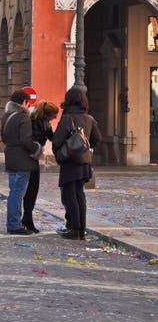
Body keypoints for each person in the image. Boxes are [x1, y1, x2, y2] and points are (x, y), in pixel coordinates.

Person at [52, 87, 102, 240]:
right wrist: (85, 147)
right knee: (80, 194)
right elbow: (97, 139)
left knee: (69, 195)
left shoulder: (68, 118)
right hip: (84, 162)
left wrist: (61, 152)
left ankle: (74, 228)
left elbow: (57, 141)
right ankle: (81, 229)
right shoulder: (90, 118)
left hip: (70, 161)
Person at [1, 89, 38, 235]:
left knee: (13, 191)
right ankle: (14, 224)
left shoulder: (6, 116)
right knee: (18, 192)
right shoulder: (23, 117)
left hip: (10, 157)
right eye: (28, 103)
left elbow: (3, 138)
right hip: (22, 159)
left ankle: (13, 223)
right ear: (24, 102)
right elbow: (26, 140)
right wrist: (37, 149)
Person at [21, 100, 59, 233]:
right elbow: (34, 141)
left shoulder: (44, 123)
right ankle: (26, 219)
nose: (55, 118)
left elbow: (53, 137)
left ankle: (27, 218)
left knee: (32, 189)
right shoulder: (33, 122)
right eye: (53, 115)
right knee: (29, 189)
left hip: (33, 158)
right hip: (28, 158)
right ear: (46, 115)